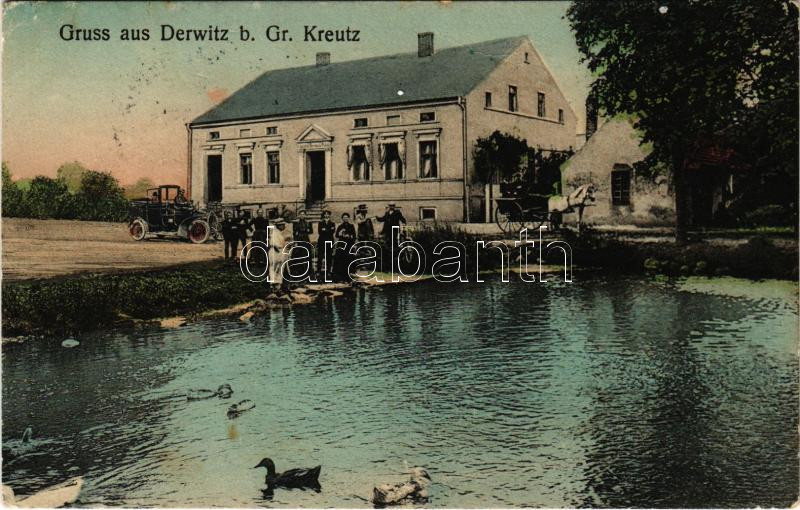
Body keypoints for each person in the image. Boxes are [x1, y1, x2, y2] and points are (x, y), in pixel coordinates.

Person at [333, 213, 356, 282]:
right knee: (341, 258)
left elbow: (354, 235)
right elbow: (337, 235)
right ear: (342, 218)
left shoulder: (351, 226)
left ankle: (348, 273)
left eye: (346, 217)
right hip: (342, 244)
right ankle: (340, 274)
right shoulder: (340, 226)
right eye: (344, 217)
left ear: (348, 218)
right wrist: (341, 234)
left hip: (349, 244)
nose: (345, 218)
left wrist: (349, 236)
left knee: (348, 258)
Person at [269, 218, 289, 292]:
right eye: (282, 225)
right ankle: (274, 285)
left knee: (279, 268)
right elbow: (273, 243)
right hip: (275, 252)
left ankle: (278, 285)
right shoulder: (275, 233)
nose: (283, 226)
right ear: (278, 225)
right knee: (275, 268)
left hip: (279, 251)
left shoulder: (279, 233)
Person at [316, 210, 335, 279]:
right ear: (323, 215)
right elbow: (320, 232)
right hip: (322, 242)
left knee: (329, 257)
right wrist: (328, 230)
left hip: (329, 242)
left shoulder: (332, 223)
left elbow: (332, 232)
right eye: (325, 214)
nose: (326, 215)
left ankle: (328, 271)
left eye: (328, 214)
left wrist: (325, 230)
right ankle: (318, 271)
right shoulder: (320, 223)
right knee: (320, 257)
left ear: (329, 215)